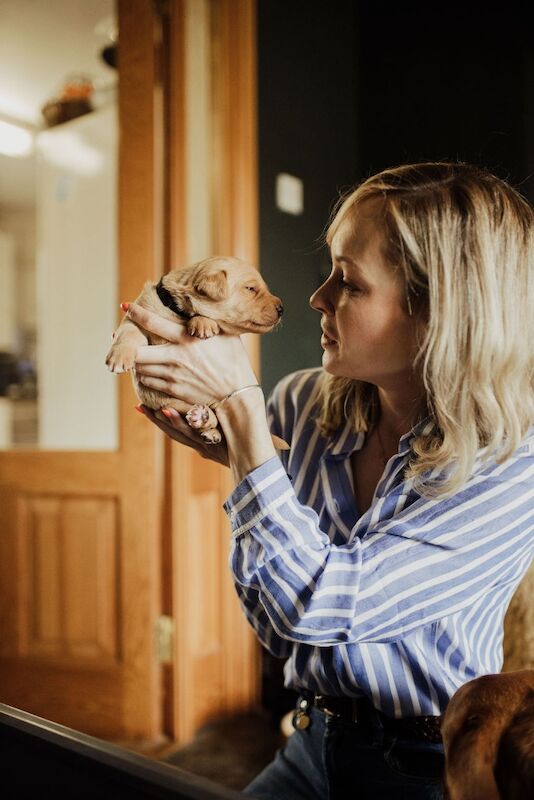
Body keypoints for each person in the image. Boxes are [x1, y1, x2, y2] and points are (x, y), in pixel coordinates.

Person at [126, 161, 534, 800]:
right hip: (312, 741)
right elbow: (276, 623)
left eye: (348, 282)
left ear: (438, 310)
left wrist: (241, 421)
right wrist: (237, 445)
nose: (316, 298)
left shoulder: (513, 464)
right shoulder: (299, 406)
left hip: (426, 766)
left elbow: (317, 604)